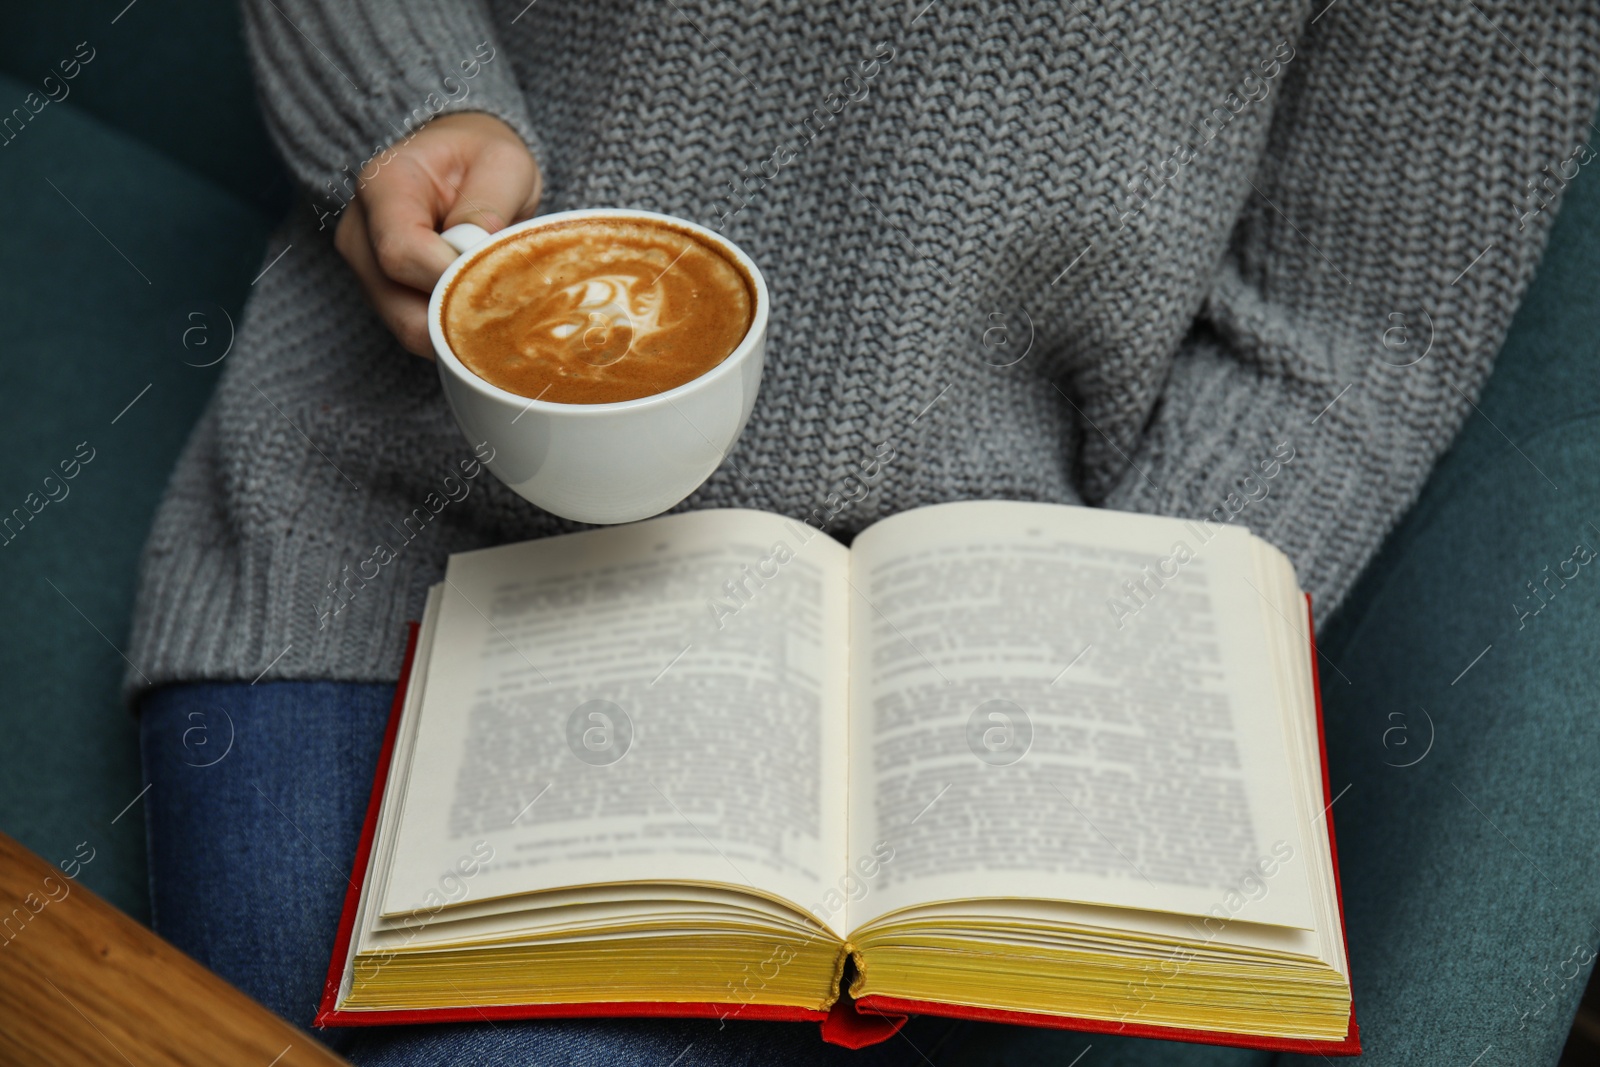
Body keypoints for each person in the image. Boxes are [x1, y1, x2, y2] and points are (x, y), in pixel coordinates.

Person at [130, 1, 1600, 1063]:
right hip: (382, 524)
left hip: (916, 687)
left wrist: (1096, 669)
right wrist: (401, 104)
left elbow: (1340, 338)